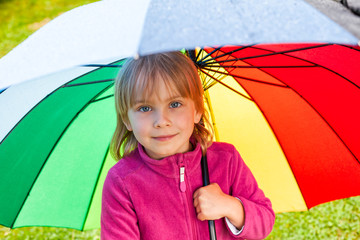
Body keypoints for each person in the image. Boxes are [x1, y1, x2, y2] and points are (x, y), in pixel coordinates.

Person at [101, 51, 275, 239]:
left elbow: (264, 221)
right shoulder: (122, 182)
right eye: (145, 108)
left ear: (197, 110)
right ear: (126, 119)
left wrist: (230, 206)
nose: (161, 121)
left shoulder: (226, 160)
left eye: (175, 104)